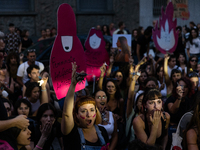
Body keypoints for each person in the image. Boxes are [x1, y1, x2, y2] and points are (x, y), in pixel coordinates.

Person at [61, 62, 109, 150]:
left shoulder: (103, 132)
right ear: (76, 115)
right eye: (83, 111)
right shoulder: (72, 132)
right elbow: (66, 115)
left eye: (91, 110)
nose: (88, 114)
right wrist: (73, 84)